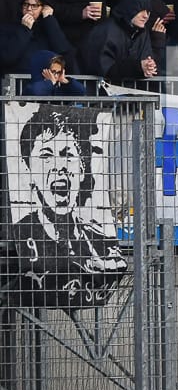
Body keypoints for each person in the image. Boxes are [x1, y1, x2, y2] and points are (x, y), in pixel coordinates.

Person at [6, 104, 127, 310]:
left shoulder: (98, 237)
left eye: (68, 154)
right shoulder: (22, 231)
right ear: (28, 171)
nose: (59, 166)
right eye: (46, 155)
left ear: (82, 170)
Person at [77, 0, 166, 83]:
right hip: (99, 92)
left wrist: (157, 42)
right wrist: (138, 68)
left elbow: (150, 66)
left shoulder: (141, 32)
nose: (145, 15)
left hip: (126, 93)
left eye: (148, 11)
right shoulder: (106, 31)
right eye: (140, 10)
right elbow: (105, 68)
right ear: (129, 8)